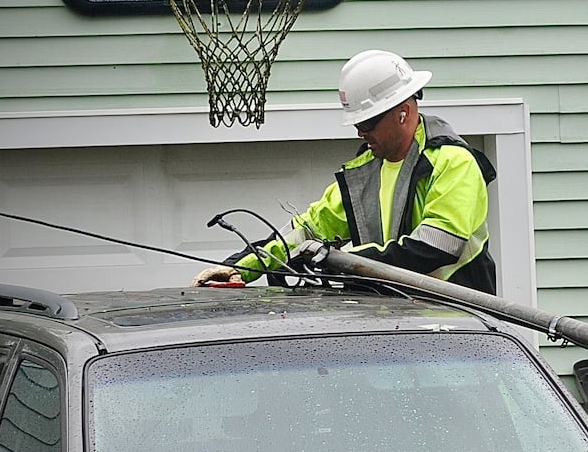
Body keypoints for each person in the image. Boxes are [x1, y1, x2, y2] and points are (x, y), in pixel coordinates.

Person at [192, 50, 497, 293]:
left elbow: (436, 247)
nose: (360, 133)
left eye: (366, 123)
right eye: (356, 124)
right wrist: (240, 267)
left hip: (458, 323)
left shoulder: (452, 163)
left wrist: (342, 262)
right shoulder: (367, 168)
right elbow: (309, 229)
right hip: (399, 320)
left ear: (402, 112)